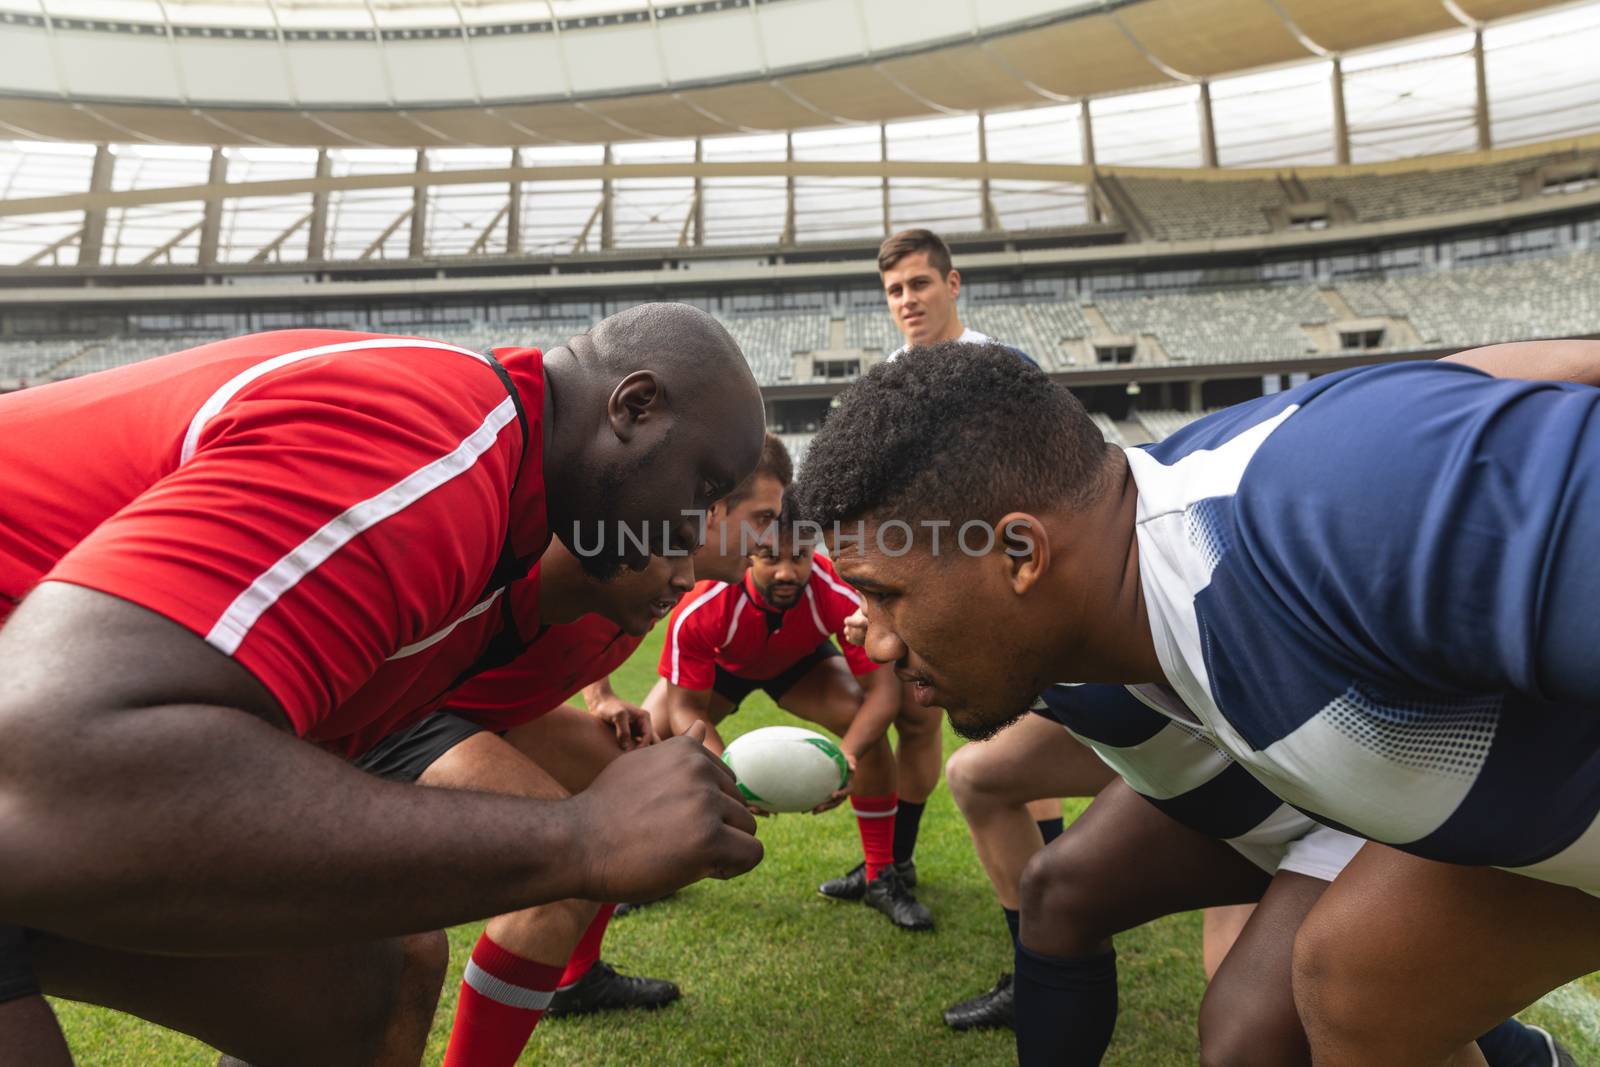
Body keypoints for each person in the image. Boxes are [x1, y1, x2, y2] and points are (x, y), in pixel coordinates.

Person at [796, 338, 1600, 1067]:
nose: (876, 639)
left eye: (886, 595)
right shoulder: (1127, 580)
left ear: (1020, 554)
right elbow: (1465, 385)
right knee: (1355, 990)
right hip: (1508, 822)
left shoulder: (1313, 520)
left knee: (1317, 997)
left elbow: (1417, 460)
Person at [0, 304, 766, 1065]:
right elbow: (54, 768)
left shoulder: (497, 503)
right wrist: (582, 836)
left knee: (359, 983)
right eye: (703, 485)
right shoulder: (430, 443)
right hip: (34, 767)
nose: (695, 535)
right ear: (634, 406)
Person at [354, 433, 793, 1067]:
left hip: (478, 711)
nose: (767, 540)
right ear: (713, 510)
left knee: (622, 785)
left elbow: (571, 620)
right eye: (762, 519)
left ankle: (576, 979)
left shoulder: (659, 574)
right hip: (413, 716)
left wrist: (602, 697)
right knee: (571, 864)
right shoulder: (625, 550)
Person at [1014, 681, 1573, 1067]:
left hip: (1364, 790)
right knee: (1059, 888)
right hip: (1259, 782)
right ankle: (1515, 1050)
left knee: (1258, 1033)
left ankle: (1515, 1051)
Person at [816, 228, 1061, 911]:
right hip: (912, 585)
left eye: (920, 283)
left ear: (952, 285)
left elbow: (1046, 476)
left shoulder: (1004, 369)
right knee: (913, 724)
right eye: (894, 290)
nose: (907, 300)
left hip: (992, 587)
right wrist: (871, 602)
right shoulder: (886, 382)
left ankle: (1053, 898)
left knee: (1015, 733)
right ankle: (890, 868)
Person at [653, 492, 934, 930]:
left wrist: (847, 757)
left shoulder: (836, 589)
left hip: (799, 664)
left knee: (865, 724)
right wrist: (725, 777)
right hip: (724, 667)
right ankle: (660, 869)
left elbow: (882, 695)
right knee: (655, 737)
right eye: (769, 557)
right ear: (748, 553)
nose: (787, 571)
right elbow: (688, 710)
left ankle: (881, 874)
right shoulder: (704, 606)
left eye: (799, 556)